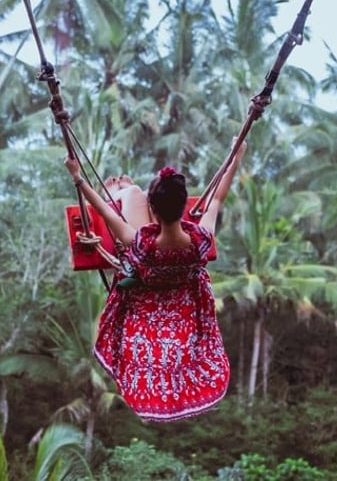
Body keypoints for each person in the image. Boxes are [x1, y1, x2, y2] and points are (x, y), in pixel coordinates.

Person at [64, 142, 246, 422]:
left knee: (133, 193)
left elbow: (106, 212)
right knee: (135, 194)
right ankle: (129, 193)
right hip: (183, 302)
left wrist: (78, 177)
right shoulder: (200, 239)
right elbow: (218, 198)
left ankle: (125, 193)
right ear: (185, 205)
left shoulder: (142, 243)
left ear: (155, 212)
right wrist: (237, 155)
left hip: (146, 302)